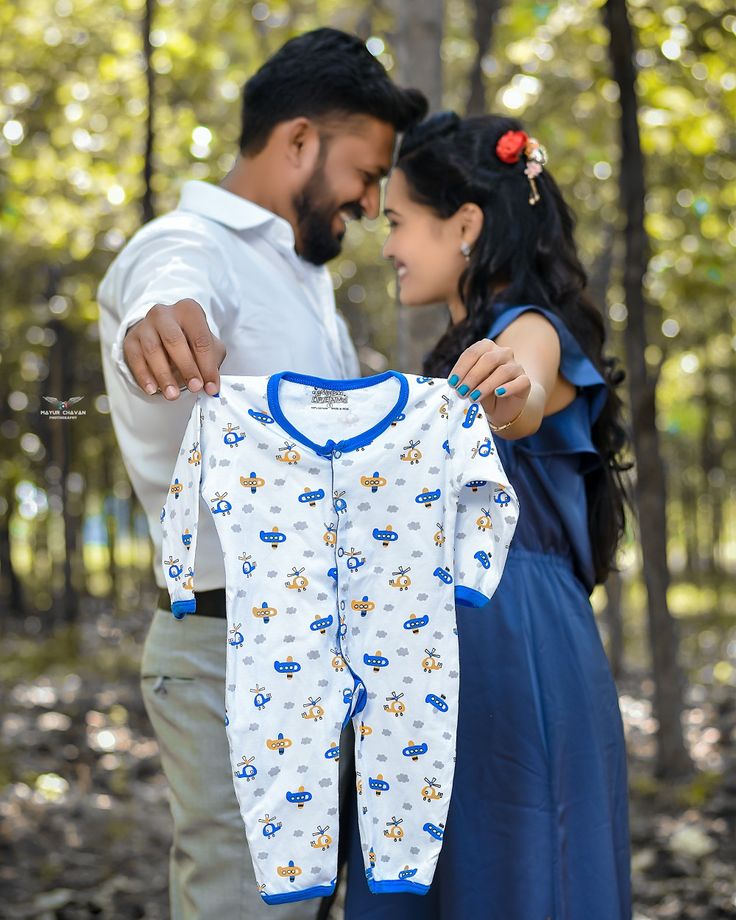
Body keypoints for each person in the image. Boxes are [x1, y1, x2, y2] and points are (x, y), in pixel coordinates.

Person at [96, 29, 426, 920]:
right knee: (248, 903)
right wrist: (167, 317)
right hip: (226, 646)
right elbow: (174, 282)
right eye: (365, 174)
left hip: (320, 650)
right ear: (298, 143)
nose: (367, 202)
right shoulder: (191, 243)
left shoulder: (299, 273)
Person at [341, 112, 633, 919]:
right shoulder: (450, 354)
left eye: (400, 222)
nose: (390, 243)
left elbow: (526, 395)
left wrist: (508, 394)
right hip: (430, 654)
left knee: (517, 876)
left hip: (509, 646)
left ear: (464, 224)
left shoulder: (529, 330)